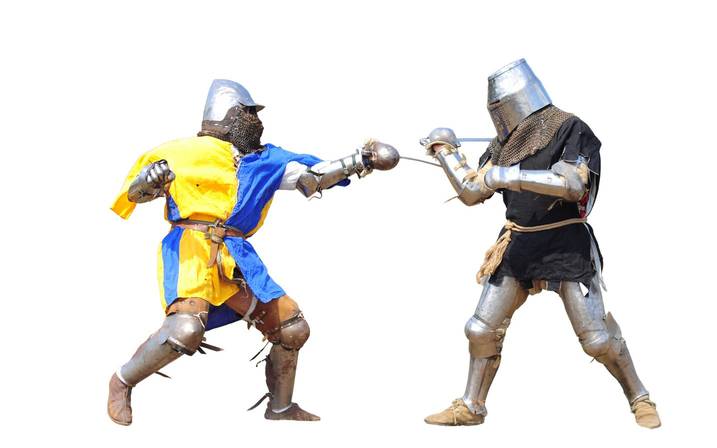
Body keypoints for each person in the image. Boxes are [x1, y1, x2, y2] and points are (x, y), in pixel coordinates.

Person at [107, 79, 398, 425]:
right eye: (249, 114)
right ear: (229, 115)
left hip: (237, 255)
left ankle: (280, 407)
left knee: (291, 328)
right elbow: (137, 193)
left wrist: (360, 160)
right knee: (185, 330)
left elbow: (313, 177)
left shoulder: (265, 160)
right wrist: (148, 181)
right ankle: (121, 382)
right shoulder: (178, 153)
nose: (256, 122)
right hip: (191, 250)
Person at [421, 59, 660, 428]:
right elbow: (472, 191)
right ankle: (471, 406)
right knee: (481, 329)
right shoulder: (504, 144)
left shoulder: (569, 128)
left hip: (565, 242)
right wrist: (446, 153)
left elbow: (572, 184)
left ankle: (640, 397)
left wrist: (507, 175)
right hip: (518, 241)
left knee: (596, 340)